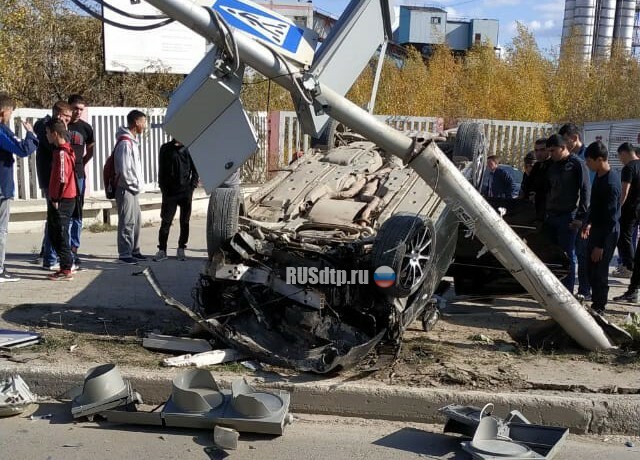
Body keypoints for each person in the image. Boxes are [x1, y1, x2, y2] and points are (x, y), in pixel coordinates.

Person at [544, 134, 590, 294]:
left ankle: (567, 291)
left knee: (567, 255)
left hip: (568, 217)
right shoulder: (552, 165)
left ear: (563, 148)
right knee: (551, 255)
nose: (551, 154)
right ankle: (552, 289)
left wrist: (580, 217)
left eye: (553, 150)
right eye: (549, 151)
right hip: (551, 215)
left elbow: (585, 191)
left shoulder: (577, 164)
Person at [0, 93, 38, 282]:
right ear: (3, 111)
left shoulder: (3, 130)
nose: (10, 116)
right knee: (1, 229)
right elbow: (23, 149)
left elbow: (23, 147)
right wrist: (30, 134)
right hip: (1, 187)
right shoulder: (0, 131)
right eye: (10, 112)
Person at [580, 141, 620, 314]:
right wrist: (587, 223)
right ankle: (595, 304)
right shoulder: (599, 175)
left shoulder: (611, 184)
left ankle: (600, 306)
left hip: (607, 234)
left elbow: (611, 218)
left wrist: (600, 246)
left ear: (600, 159)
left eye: (589, 160)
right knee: (590, 269)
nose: (587, 164)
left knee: (600, 273)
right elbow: (594, 205)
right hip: (596, 229)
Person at [33, 101, 72, 270]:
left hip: (57, 182)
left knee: (55, 220)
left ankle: (49, 254)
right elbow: (55, 145)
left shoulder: (56, 128)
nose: (67, 121)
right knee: (55, 221)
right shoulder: (45, 126)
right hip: (51, 181)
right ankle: (51, 258)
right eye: (66, 117)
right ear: (58, 114)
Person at [559, 123, 592, 299]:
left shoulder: (587, 157)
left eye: (565, 140)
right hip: (573, 213)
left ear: (573, 138)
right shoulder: (571, 157)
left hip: (584, 214)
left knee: (582, 252)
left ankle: (585, 290)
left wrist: (586, 218)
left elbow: (589, 189)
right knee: (573, 252)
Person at [153, 138, 199, 261]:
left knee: (185, 222)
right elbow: (161, 170)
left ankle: (181, 248)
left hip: (185, 192)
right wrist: (163, 187)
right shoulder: (165, 148)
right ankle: (162, 250)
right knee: (166, 221)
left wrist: (192, 187)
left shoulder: (189, 148)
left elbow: (195, 170)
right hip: (170, 192)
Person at [45, 119, 77, 281]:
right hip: (59, 197)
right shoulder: (61, 150)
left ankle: (67, 267)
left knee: (60, 232)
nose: (46, 136)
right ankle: (65, 265)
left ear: (54, 133)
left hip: (63, 199)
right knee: (53, 231)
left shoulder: (63, 152)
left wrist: (56, 198)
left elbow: (63, 178)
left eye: (47, 133)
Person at [114, 110, 147, 264]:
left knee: (136, 220)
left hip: (133, 189)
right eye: (143, 122)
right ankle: (125, 253)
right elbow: (124, 169)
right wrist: (134, 185)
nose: (145, 126)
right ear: (136, 123)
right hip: (126, 188)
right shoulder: (125, 144)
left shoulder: (132, 141)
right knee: (127, 220)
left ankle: (134, 249)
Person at [67, 94, 95, 268]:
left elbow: (90, 151)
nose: (78, 112)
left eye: (81, 109)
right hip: (63, 176)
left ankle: (74, 249)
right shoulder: (62, 125)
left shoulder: (86, 128)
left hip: (78, 176)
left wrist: (80, 165)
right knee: (61, 215)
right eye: (75, 108)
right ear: (69, 107)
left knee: (77, 214)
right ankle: (52, 251)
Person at [610, 142, 640, 278]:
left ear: (624, 153)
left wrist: (618, 208)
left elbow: (624, 191)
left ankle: (630, 267)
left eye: (620, 156)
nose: (620, 160)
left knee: (624, 238)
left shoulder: (628, 168)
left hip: (630, 208)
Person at [526, 138, 553, 222]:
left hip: (548, 211)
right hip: (535, 210)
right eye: (536, 150)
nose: (538, 153)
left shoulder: (553, 166)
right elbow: (529, 184)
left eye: (542, 150)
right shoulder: (537, 166)